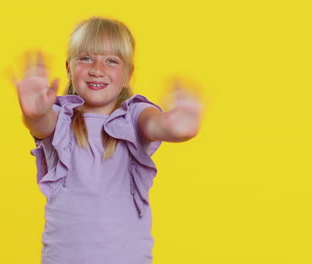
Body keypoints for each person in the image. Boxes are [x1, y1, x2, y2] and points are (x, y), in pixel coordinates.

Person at [13, 16, 202, 264]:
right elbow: (40, 123)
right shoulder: (60, 117)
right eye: (86, 58)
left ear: (127, 74)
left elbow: (158, 125)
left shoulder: (135, 115)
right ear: (69, 68)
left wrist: (178, 126)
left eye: (111, 61)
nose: (97, 69)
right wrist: (34, 112)